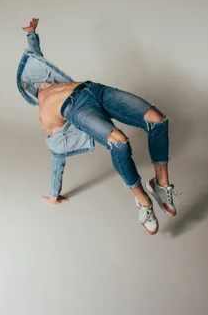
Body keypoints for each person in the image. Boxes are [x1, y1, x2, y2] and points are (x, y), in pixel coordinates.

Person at [16, 18, 179, 235]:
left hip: (95, 89)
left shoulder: (50, 82)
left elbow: (37, 58)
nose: (40, 81)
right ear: (29, 92)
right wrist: (54, 194)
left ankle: (160, 184)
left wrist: (31, 34)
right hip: (77, 109)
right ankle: (143, 201)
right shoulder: (45, 116)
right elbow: (57, 151)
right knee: (119, 143)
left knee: (158, 119)